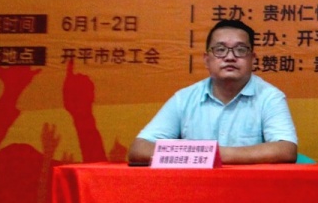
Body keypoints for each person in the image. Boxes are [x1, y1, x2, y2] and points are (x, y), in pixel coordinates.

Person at [128, 19, 298, 165]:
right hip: (194, 187)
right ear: (206, 59)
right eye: (220, 50)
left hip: (249, 188)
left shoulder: (270, 97)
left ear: (252, 59)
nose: (230, 57)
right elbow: (139, 149)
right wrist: (202, 155)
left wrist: (208, 154)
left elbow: (286, 150)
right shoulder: (184, 98)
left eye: (240, 50)